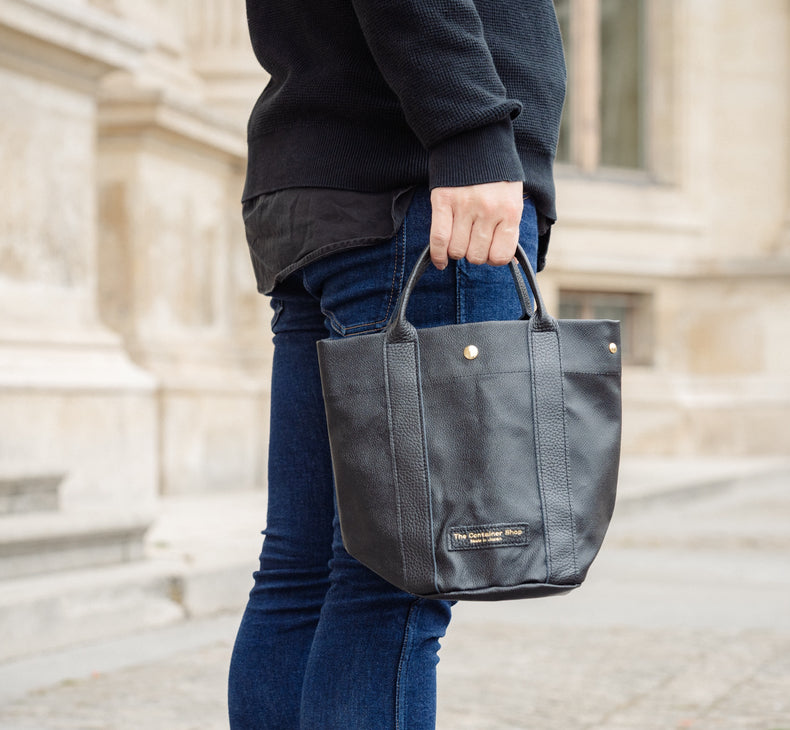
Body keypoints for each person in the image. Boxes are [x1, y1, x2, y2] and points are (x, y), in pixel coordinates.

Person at [228, 1, 566, 728]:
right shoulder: (450, 147)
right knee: (396, 577)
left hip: (323, 182)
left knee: (304, 571)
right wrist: (471, 132)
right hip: (419, 187)